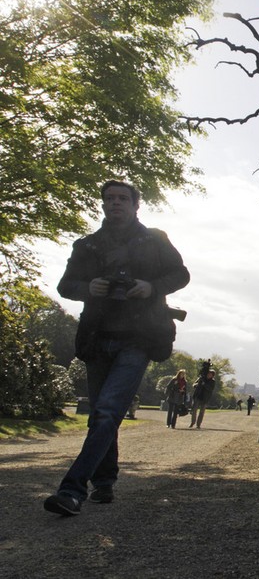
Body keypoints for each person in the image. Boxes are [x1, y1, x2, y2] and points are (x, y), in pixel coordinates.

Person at [44, 180, 189, 517]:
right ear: (103, 205)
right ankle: (105, 482)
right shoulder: (88, 245)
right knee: (101, 415)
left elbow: (180, 274)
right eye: (110, 198)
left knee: (107, 412)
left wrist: (150, 287)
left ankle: (72, 490)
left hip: (138, 338)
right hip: (97, 338)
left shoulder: (155, 239)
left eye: (123, 198)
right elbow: (66, 286)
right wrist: (88, 287)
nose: (116, 203)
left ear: (136, 205)